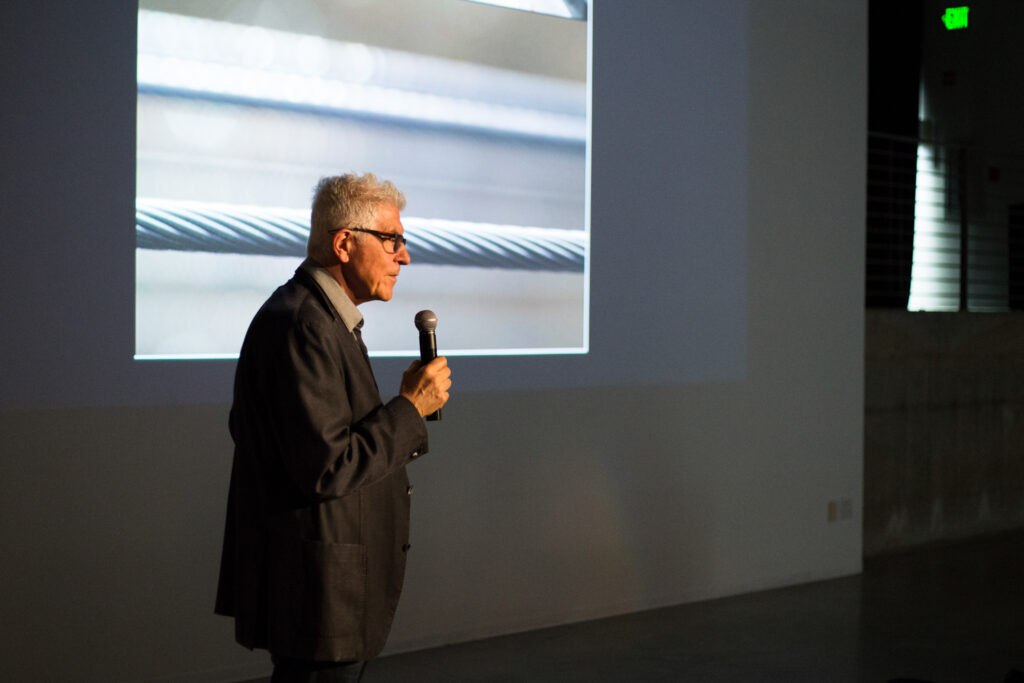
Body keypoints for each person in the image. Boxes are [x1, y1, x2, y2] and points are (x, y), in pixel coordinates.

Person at [215, 173, 451, 682]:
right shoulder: (303, 323)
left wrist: (405, 404)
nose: (404, 258)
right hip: (317, 591)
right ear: (345, 243)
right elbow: (326, 466)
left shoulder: (320, 318)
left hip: (325, 589)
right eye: (392, 241)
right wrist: (408, 409)